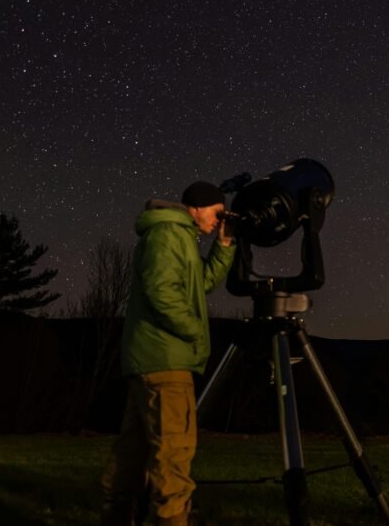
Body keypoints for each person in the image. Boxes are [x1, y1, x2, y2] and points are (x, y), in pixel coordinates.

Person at [100, 181, 236, 526]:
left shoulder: (178, 237)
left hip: (151, 358)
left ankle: (116, 515)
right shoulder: (169, 235)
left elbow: (199, 283)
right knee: (174, 452)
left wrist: (223, 246)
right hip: (166, 360)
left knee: (134, 448)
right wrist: (193, 332)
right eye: (217, 213)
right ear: (197, 208)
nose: (219, 220)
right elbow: (162, 291)